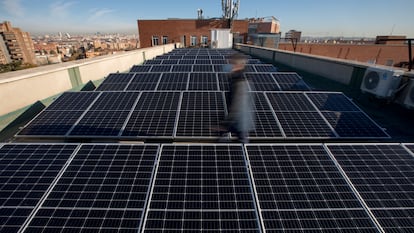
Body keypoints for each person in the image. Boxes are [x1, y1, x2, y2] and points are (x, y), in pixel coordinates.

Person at [219, 53, 255, 143]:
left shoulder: (240, 82)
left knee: (242, 144)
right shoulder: (236, 78)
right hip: (239, 122)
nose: (228, 65)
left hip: (240, 122)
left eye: (230, 63)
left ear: (238, 65)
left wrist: (226, 124)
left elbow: (238, 105)